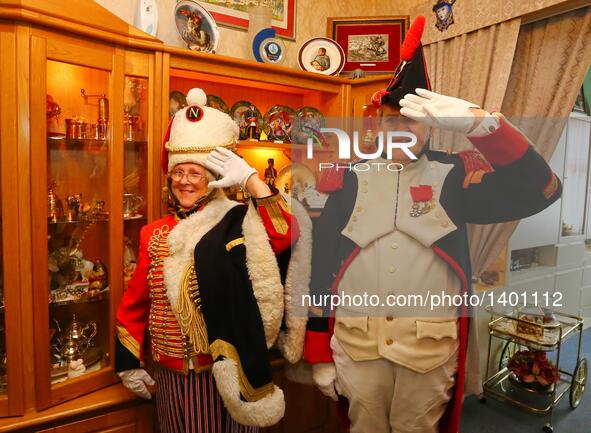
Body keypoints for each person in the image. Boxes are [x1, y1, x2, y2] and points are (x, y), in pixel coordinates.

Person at [303, 16, 562, 433]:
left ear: (430, 126)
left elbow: (542, 189)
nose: (401, 131)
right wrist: (317, 349)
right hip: (355, 348)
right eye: (391, 121)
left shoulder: (456, 175)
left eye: (411, 121)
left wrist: (482, 126)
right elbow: (320, 267)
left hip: (428, 354)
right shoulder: (349, 178)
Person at [115, 88, 311, 432]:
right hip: (171, 376)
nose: (184, 182)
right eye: (178, 173)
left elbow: (287, 234)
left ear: (213, 178)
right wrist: (128, 362)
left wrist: (251, 180)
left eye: (195, 173)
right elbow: (135, 303)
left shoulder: (237, 219)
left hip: (226, 371)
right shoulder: (153, 233)